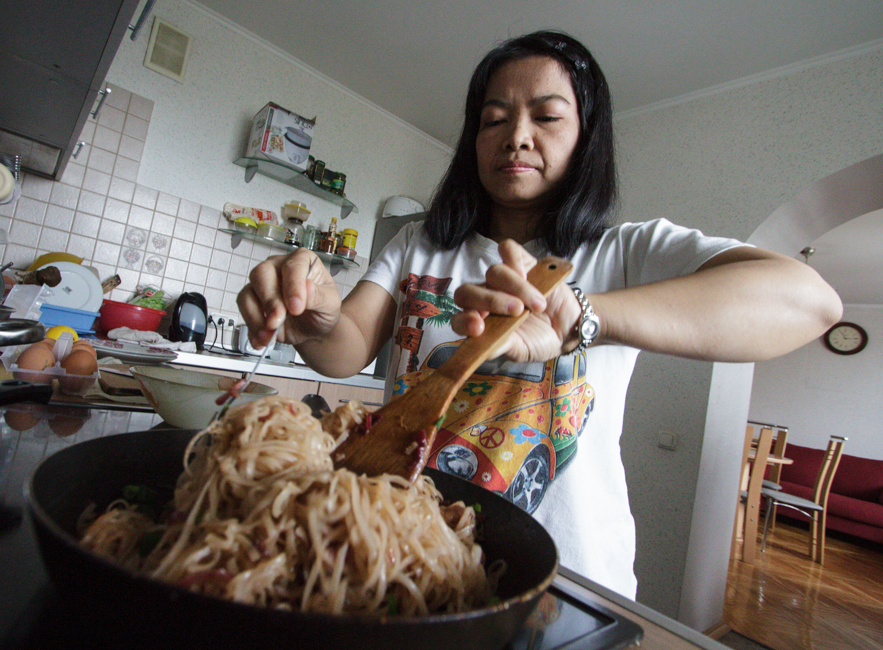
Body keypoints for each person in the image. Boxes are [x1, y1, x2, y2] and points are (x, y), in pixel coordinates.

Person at [236, 30, 842, 597]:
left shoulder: (623, 252)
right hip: (404, 558)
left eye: (547, 116)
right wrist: (315, 318)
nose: (516, 135)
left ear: (586, 137)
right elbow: (346, 350)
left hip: (569, 578)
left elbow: (807, 301)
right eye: (493, 119)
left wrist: (585, 316)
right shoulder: (420, 245)